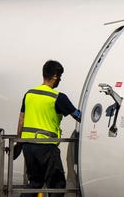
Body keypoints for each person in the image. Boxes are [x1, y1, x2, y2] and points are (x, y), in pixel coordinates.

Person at [16, 60, 82, 195]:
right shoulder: (57, 97)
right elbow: (77, 115)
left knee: (35, 183)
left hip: (28, 145)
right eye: (60, 77)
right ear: (55, 76)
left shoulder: (29, 94)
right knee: (57, 184)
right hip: (46, 147)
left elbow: (21, 119)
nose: (60, 80)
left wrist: (19, 142)